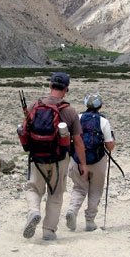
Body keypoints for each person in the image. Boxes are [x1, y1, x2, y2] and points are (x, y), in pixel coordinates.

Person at [23, 72, 87, 241]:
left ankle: (34, 211)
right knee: (56, 193)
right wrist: (82, 164)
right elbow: (78, 141)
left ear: (50, 86)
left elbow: (25, 131)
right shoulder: (70, 111)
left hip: (37, 157)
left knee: (33, 188)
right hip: (60, 159)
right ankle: (49, 231)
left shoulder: (33, 106)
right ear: (66, 89)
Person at [66, 93, 115, 232]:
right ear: (100, 106)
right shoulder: (103, 121)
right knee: (96, 190)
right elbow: (109, 146)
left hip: (77, 160)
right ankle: (90, 221)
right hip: (97, 160)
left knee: (79, 188)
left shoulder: (78, 118)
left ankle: (72, 211)